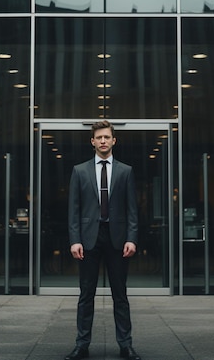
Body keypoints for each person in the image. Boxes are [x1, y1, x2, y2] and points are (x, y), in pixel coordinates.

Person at [65, 120, 141, 360]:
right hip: (88, 239)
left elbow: (132, 210)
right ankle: (82, 345)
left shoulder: (126, 171)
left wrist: (132, 238)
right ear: (92, 141)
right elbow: (73, 210)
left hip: (118, 239)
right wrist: (74, 240)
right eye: (99, 138)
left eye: (107, 137)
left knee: (120, 294)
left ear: (114, 140)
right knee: (86, 294)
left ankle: (126, 345)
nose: (103, 141)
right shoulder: (79, 171)